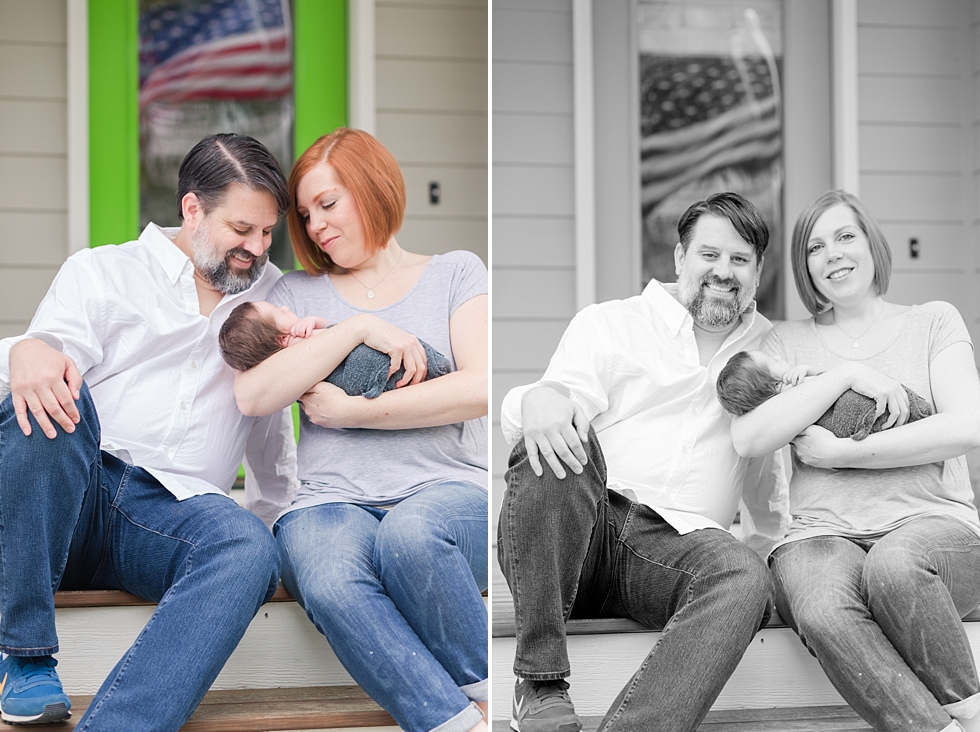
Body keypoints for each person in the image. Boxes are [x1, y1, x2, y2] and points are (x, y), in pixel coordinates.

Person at [0, 134, 300, 730]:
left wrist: (276, 525)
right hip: (74, 494)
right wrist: (27, 351)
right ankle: (26, 659)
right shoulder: (103, 271)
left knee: (246, 546)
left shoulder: (272, 297)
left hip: (169, 516)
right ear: (192, 209)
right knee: (53, 394)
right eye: (242, 229)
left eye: (268, 233)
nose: (257, 248)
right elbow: (42, 365)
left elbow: (272, 427)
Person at [498, 191, 790, 732]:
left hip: (673, 552)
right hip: (582, 536)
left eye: (739, 259)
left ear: (758, 271)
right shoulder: (611, 324)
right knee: (562, 434)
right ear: (680, 258)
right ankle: (539, 685)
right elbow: (547, 417)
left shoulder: (773, 351)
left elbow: (770, 481)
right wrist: (535, 398)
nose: (723, 271)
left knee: (744, 577)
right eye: (709, 254)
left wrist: (775, 558)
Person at [231, 128, 489, 732]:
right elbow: (254, 392)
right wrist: (356, 328)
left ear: (374, 188)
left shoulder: (454, 273)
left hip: (446, 493)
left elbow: (478, 389)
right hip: (329, 501)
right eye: (304, 214)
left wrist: (355, 412)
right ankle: (459, 722)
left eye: (329, 203)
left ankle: (493, 688)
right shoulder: (294, 293)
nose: (316, 226)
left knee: (412, 536)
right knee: (327, 575)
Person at [730, 189, 980, 732]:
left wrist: (846, 454)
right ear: (806, 267)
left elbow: (965, 426)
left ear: (872, 244)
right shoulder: (788, 343)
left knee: (893, 566)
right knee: (820, 606)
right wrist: (842, 377)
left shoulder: (933, 321)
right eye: (815, 247)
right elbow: (749, 436)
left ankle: (970, 709)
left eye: (845, 236)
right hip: (819, 535)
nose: (833, 254)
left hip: (933, 524)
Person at [217, 300, 452, 397]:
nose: (286, 307)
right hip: (363, 371)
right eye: (280, 312)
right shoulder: (294, 352)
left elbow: (332, 331)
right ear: (281, 340)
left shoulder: (302, 336)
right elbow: (337, 339)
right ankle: (434, 368)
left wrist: (314, 322)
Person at [716, 349, 933, 439]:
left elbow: (825, 383)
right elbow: (832, 389)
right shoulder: (789, 397)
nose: (780, 358)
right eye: (774, 361)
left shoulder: (796, 387)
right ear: (773, 385)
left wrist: (810, 372)